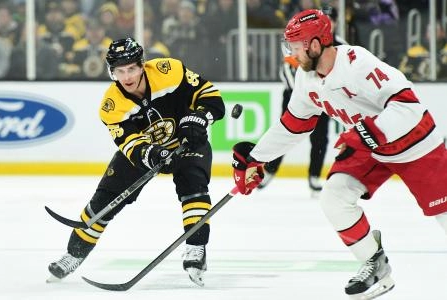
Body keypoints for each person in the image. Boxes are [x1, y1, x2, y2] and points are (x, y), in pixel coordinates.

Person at [231, 9, 447, 300]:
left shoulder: (357, 63)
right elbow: (294, 124)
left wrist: (363, 134)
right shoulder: (305, 78)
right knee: (333, 196)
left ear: (316, 45)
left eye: (296, 48)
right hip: (369, 146)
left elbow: (407, 107)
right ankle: (375, 264)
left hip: (415, 143)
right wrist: (257, 158)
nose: (292, 55)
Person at [47, 37, 225, 287]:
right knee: (104, 200)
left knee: (194, 188)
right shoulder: (111, 106)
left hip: (186, 143)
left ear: (142, 65)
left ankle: (196, 249)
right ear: (112, 71)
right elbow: (129, 143)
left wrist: (199, 118)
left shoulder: (169, 71)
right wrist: (151, 154)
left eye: (131, 68)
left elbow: (210, 96)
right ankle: (73, 254)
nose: (127, 76)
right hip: (145, 151)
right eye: (120, 71)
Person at [259, 6, 347, 195]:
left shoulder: (341, 45)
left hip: (324, 98)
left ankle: (314, 176)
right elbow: (287, 69)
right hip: (294, 94)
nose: (330, 23)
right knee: (285, 132)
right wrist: (300, 89)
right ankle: (269, 170)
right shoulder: (300, 42)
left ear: (337, 23)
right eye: (327, 18)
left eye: (333, 19)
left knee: (320, 138)